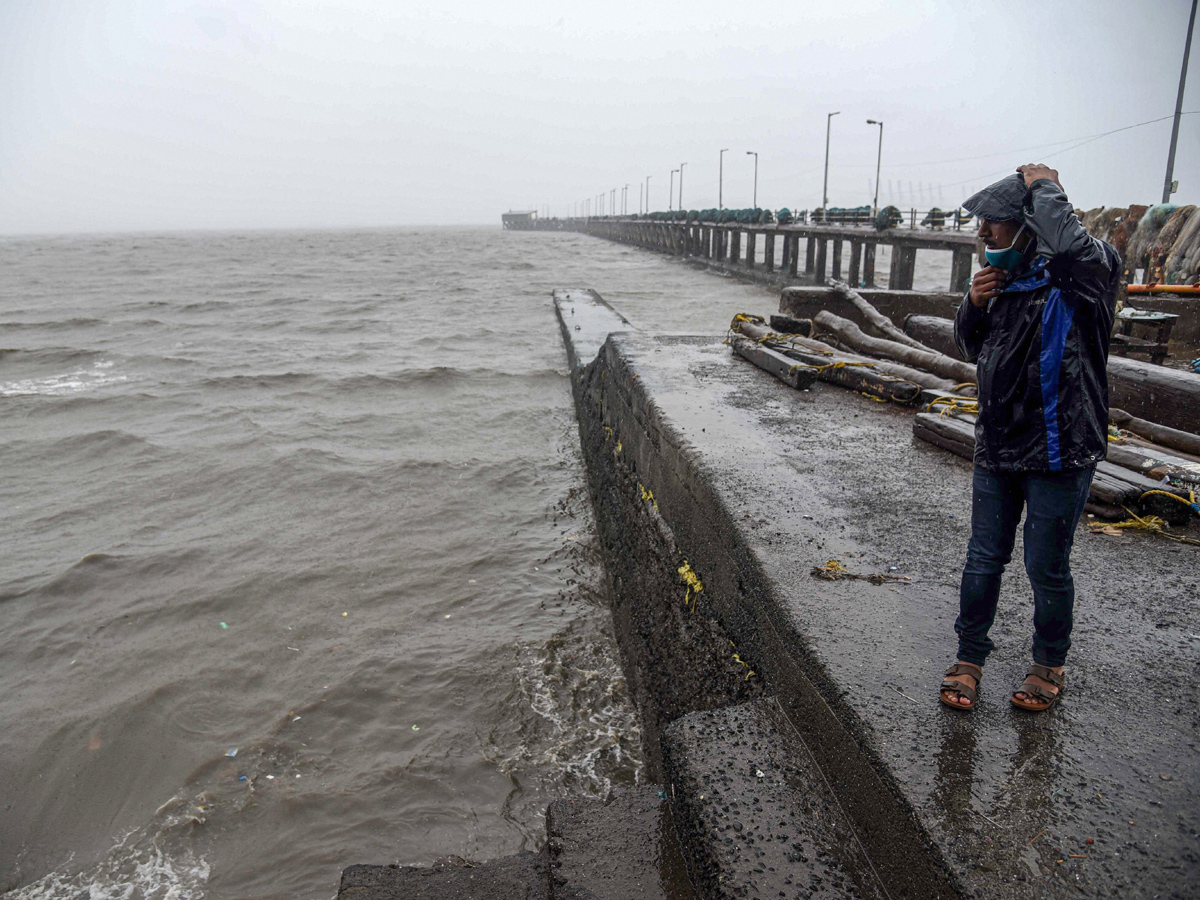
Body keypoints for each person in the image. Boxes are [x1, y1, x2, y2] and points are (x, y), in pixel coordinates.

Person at [939, 164, 1120, 713]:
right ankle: (969, 658)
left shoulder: (1084, 275)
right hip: (998, 447)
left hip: (1060, 448)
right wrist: (972, 305)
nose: (982, 236)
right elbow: (971, 347)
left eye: (992, 225)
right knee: (982, 557)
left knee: (1046, 564)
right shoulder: (1004, 282)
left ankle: (1048, 663)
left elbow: (1070, 242)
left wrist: (1046, 185)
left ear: (1027, 225)